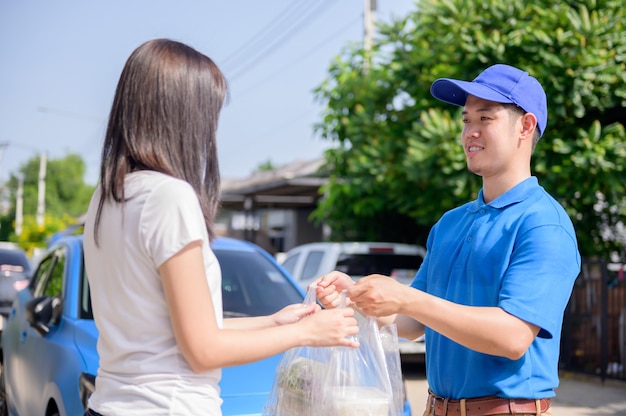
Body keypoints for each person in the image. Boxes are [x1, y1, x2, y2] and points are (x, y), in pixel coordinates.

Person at [82, 38, 359, 416]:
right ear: (182, 114)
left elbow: (173, 333)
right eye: (208, 112)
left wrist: (273, 321)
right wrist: (307, 332)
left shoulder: (109, 195)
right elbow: (202, 351)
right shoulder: (169, 197)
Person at [315, 64, 581, 416]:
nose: (471, 132)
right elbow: (412, 324)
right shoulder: (450, 223)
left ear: (526, 126)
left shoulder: (543, 224)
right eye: (466, 120)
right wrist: (357, 298)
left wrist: (406, 298)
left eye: (485, 118)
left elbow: (512, 337)